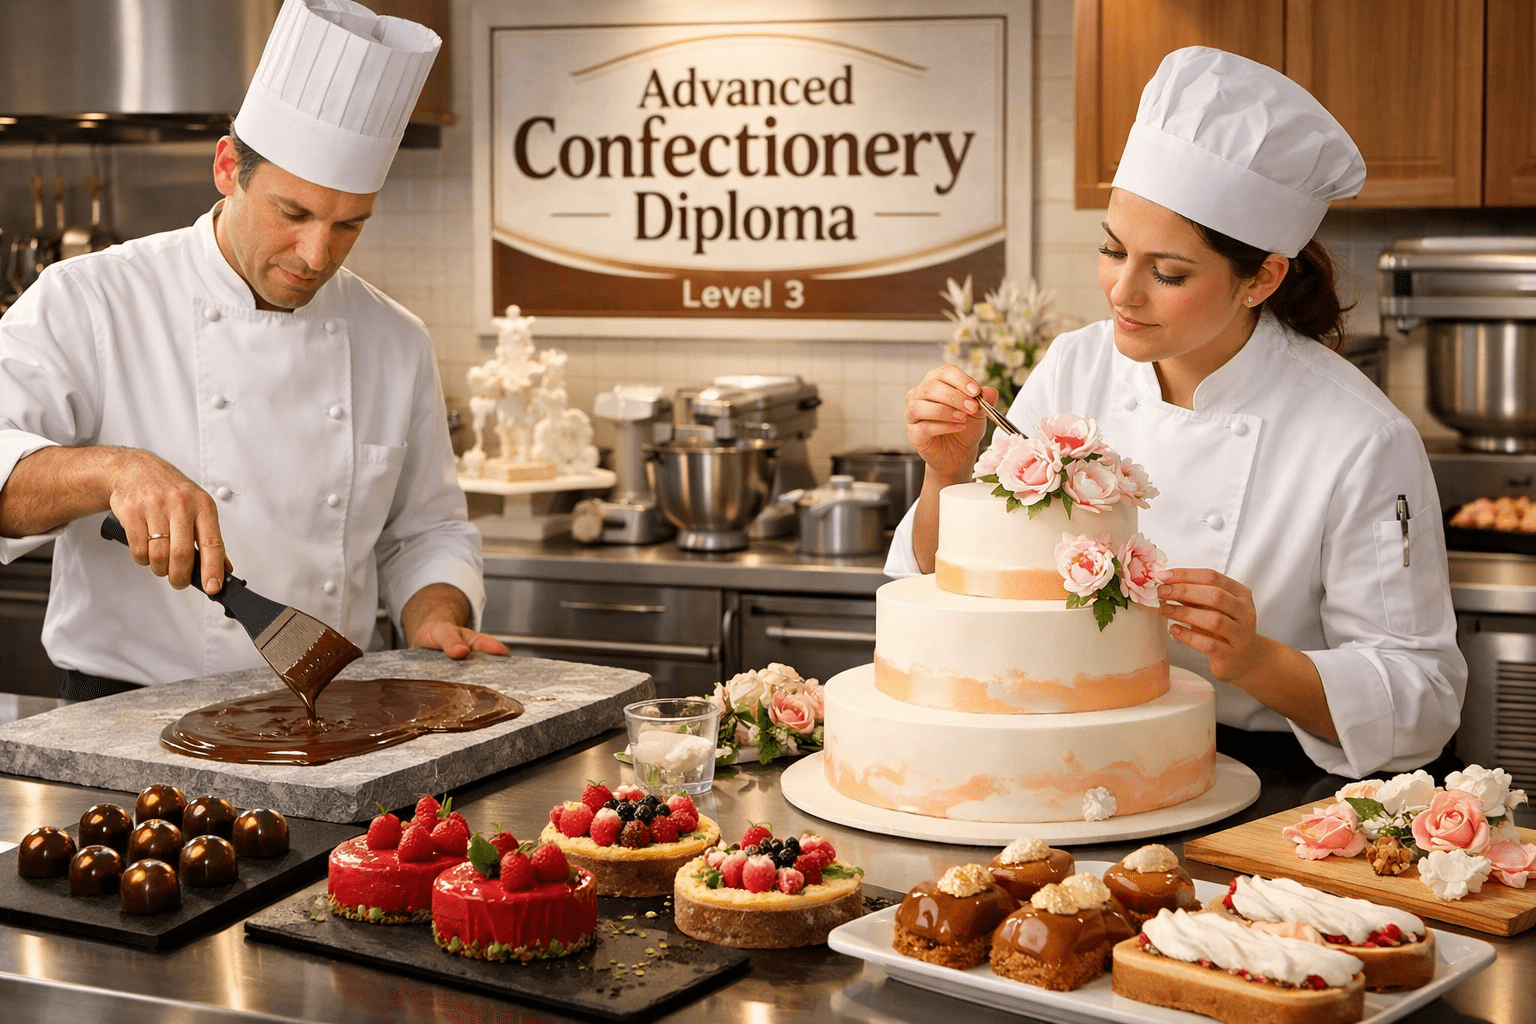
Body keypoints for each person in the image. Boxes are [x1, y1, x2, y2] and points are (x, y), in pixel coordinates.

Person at [892, 46, 1466, 780]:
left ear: (1261, 278)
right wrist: (945, 476)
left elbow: (1422, 698)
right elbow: (951, 581)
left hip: (1263, 786)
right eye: (1112, 251)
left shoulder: (1360, 436)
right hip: (1073, 758)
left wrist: (1256, 660)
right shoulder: (1076, 365)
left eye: (1166, 273)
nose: (1121, 292)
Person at [0, 0, 508, 700]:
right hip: (125, 714)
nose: (316, 254)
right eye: (293, 213)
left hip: (325, 709)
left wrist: (435, 619)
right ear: (226, 167)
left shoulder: (394, 338)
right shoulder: (90, 298)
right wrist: (113, 471)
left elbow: (426, 531)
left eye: (349, 225)